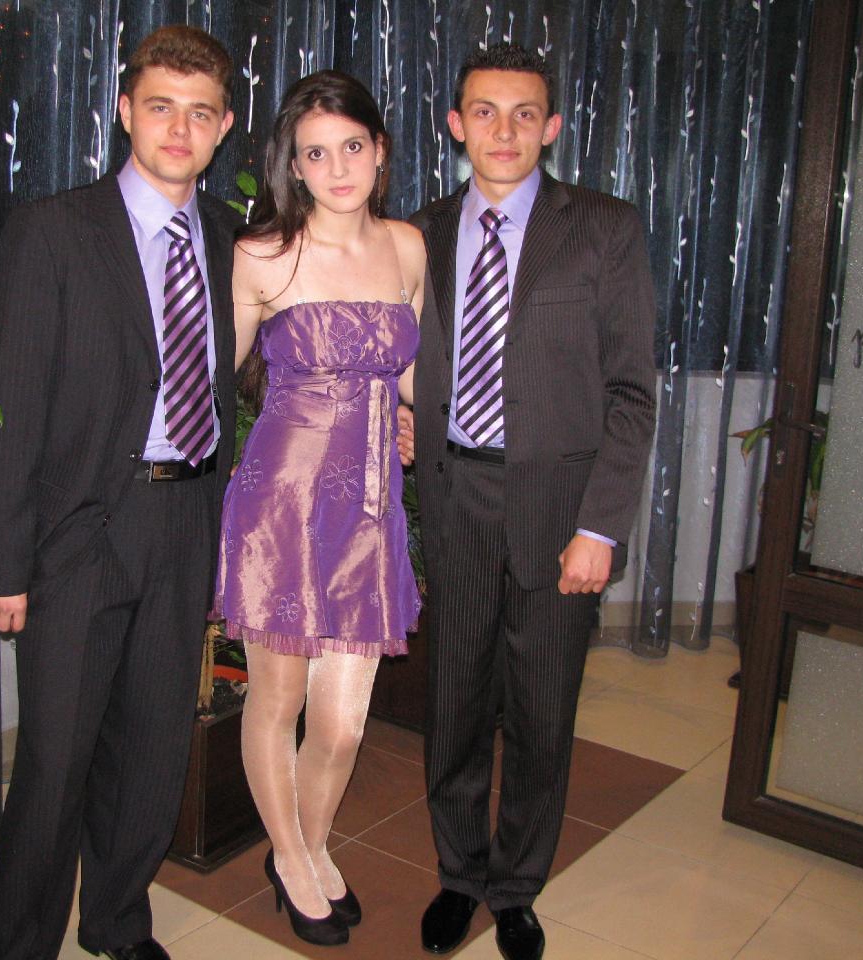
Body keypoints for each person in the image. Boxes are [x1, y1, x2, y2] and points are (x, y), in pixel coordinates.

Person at [0, 25, 241, 960]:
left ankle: (117, 924)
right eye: (160, 107)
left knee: (153, 751)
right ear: (126, 111)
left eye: (199, 113)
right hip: (78, 534)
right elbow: (8, 409)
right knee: (55, 766)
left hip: (186, 519)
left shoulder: (231, 239)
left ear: (223, 127)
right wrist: (1, 563)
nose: (178, 129)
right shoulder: (54, 230)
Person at [409, 44, 657, 960]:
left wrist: (600, 526)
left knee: (543, 715)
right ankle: (458, 873)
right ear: (456, 124)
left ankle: (516, 887)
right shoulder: (419, 232)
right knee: (454, 705)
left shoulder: (604, 228)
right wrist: (398, 421)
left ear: (551, 127)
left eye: (524, 114)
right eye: (485, 111)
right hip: (454, 497)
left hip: (560, 511)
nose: (504, 131)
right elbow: (396, 356)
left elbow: (631, 392)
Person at [210, 69, 424, 947]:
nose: (337, 169)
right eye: (315, 154)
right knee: (279, 698)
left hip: (370, 509)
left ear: (379, 151)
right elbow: (211, 384)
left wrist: (414, 417)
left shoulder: (407, 248)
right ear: (291, 166)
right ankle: (294, 858)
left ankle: (311, 837)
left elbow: (410, 375)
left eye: (352, 147)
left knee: (340, 725)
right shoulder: (263, 254)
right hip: (283, 506)